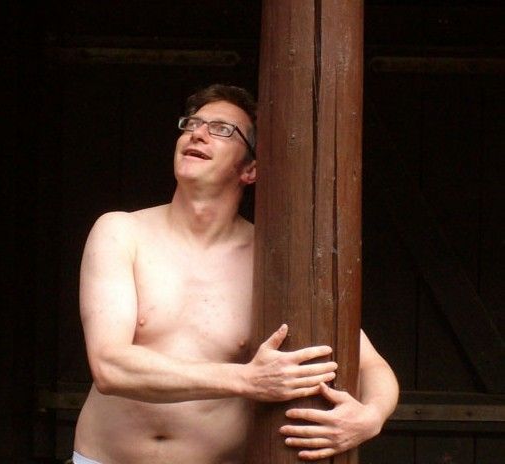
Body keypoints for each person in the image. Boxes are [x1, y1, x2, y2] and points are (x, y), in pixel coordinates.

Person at [73, 84, 399, 464]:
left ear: (250, 169)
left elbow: (371, 365)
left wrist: (370, 417)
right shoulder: (121, 232)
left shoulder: (271, 259)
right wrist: (247, 380)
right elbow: (109, 366)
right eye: (192, 123)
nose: (197, 133)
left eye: (222, 129)